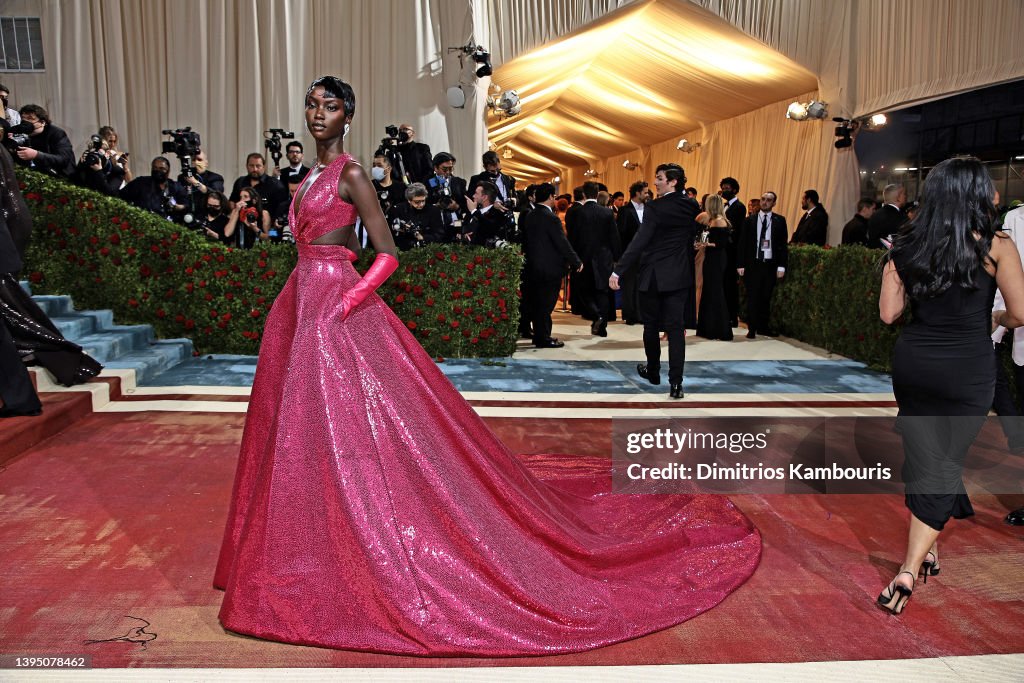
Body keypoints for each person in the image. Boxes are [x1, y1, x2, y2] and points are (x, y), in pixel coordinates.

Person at [214, 75, 760, 657]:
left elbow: (388, 254)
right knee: (299, 428)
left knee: (355, 427)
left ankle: (354, 534)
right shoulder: (305, 178)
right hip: (300, 307)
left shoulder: (350, 174)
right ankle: (305, 540)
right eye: (312, 104)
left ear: (349, 115)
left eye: (330, 106)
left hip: (335, 312)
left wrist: (344, 304)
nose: (316, 113)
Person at [878, 156, 1024, 615]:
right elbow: (1021, 313)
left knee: (926, 455)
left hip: (916, 364)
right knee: (944, 463)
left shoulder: (905, 246)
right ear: (977, 194)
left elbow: (888, 314)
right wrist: (996, 317)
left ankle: (931, 551)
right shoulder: (997, 244)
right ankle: (907, 568)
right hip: (968, 367)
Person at [610, 163, 699, 399]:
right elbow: (691, 236)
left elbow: (640, 240)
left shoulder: (655, 207)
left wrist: (618, 270)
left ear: (672, 181)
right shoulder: (691, 205)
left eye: (659, 178)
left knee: (650, 326)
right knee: (676, 329)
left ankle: (653, 371)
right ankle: (676, 384)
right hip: (679, 275)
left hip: (653, 276)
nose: (655, 183)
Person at [522, 182, 582, 348]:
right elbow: (562, 242)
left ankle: (540, 335)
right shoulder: (551, 218)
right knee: (546, 304)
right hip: (550, 268)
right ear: (550, 197)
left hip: (533, 266)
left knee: (538, 303)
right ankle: (543, 338)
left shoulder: (531, 215)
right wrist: (576, 260)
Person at [737, 191, 788, 338]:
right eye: (763, 199)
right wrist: (740, 264)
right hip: (754, 264)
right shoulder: (750, 221)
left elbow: (782, 245)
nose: (765, 202)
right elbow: (742, 244)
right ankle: (752, 328)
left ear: (774, 203)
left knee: (766, 297)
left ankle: (763, 327)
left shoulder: (779, 221)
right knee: (752, 296)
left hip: (770, 265)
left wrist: (781, 266)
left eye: (769, 200)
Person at [695, 194, 733, 341]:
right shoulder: (713, 220)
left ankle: (719, 329)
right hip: (710, 258)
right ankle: (707, 328)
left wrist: (706, 244)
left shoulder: (719, 221)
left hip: (716, 260)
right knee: (709, 291)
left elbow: (721, 244)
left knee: (715, 292)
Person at [12, 104, 75, 178]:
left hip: (61, 177)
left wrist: (36, 155)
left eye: (30, 118)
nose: (25, 122)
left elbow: (63, 159)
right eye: (23, 119)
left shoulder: (57, 133)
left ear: (42, 122)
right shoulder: (22, 134)